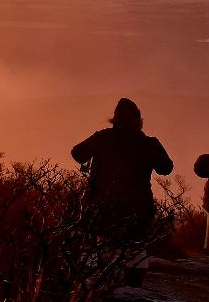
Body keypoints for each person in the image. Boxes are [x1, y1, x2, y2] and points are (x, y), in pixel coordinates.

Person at [70, 97, 174, 240]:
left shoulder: (102, 137)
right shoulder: (149, 144)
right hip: (138, 210)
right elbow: (166, 168)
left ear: (115, 119)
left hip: (100, 208)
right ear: (138, 120)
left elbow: (77, 153)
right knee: (132, 252)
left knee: (101, 252)